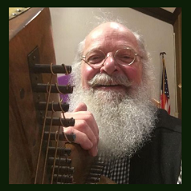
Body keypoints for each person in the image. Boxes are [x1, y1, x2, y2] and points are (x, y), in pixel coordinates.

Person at [63, 21, 182, 184]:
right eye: (95, 57)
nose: (110, 66)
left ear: (144, 71)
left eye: (126, 57)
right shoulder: (56, 138)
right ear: (78, 73)